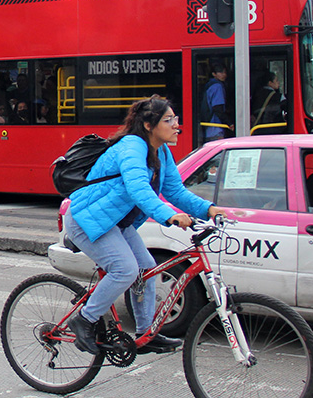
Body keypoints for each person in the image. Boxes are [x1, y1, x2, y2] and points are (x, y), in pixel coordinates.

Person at [65, 96, 226, 355]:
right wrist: (168, 216)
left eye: (176, 119)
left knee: (146, 268)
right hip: (88, 220)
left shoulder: (161, 151)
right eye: (168, 120)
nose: (176, 125)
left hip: (116, 223)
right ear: (149, 125)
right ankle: (84, 319)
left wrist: (208, 209)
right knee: (125, 269)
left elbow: (175, 191)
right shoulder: (132, 147)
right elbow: (138, 188)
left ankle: (145, 333)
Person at [203, 63, 232, 142]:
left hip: (208, 128)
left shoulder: (208, 85)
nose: (224, 75)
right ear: (214, 74)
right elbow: (218, 108)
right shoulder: (217, 86)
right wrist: (229, 123)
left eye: (225, 72)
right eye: (221, 72)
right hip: (216, 127)